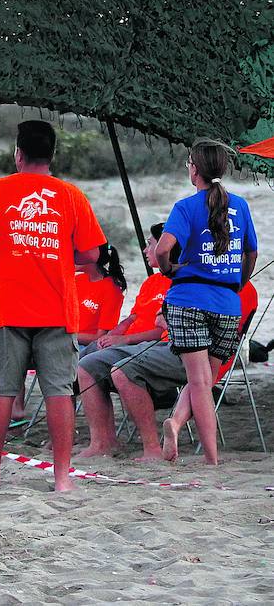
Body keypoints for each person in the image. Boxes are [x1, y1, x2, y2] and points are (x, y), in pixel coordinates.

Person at [0, 120, 105, 491]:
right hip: (57, 309)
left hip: (8, 308)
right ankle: (61, 479)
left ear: (18, 154)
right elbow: (92, 253)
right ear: (53, 155)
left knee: (0, 392)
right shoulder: (71, 195)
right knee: (59, 392)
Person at [156, 139, 258, 465]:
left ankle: (208, 455)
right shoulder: (240, 205)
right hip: (228, 304)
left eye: (189, 163)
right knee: (205, 379)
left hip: (188, 300)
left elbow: (161, 249)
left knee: (199, 380)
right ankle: (182, 428)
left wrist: (171, 268)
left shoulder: (185, 207)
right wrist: (236, 283)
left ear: (195, 169)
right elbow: (251, 251)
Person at [112, 281, 258, 460]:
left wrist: (169, 321)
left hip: (193, 345)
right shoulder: (232, 285)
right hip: (215, 345)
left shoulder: (195, 282)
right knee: (201, 381)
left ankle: (174, 425)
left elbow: (172, 322)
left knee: (199, 380)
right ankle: (190, 437)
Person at [76, 223, 173, 457]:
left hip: (150, 346)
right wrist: (115, 334)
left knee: (117, 368)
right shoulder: (152, 282)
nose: (145, 249)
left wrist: (123, 341)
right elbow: (134, 316)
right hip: (129, 343)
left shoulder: (177, 283)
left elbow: (162, 331)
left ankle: (151, 448)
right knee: (85, 365)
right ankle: (103, 442)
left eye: (149, 244)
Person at [76, 244, 126, 356]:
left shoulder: (112, 290)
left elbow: (100, 337)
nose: (72, 257)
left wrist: (68, 335)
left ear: (92, 256)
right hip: (65, 340)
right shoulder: (77, 280)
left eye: (76, 253)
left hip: (86, 347)